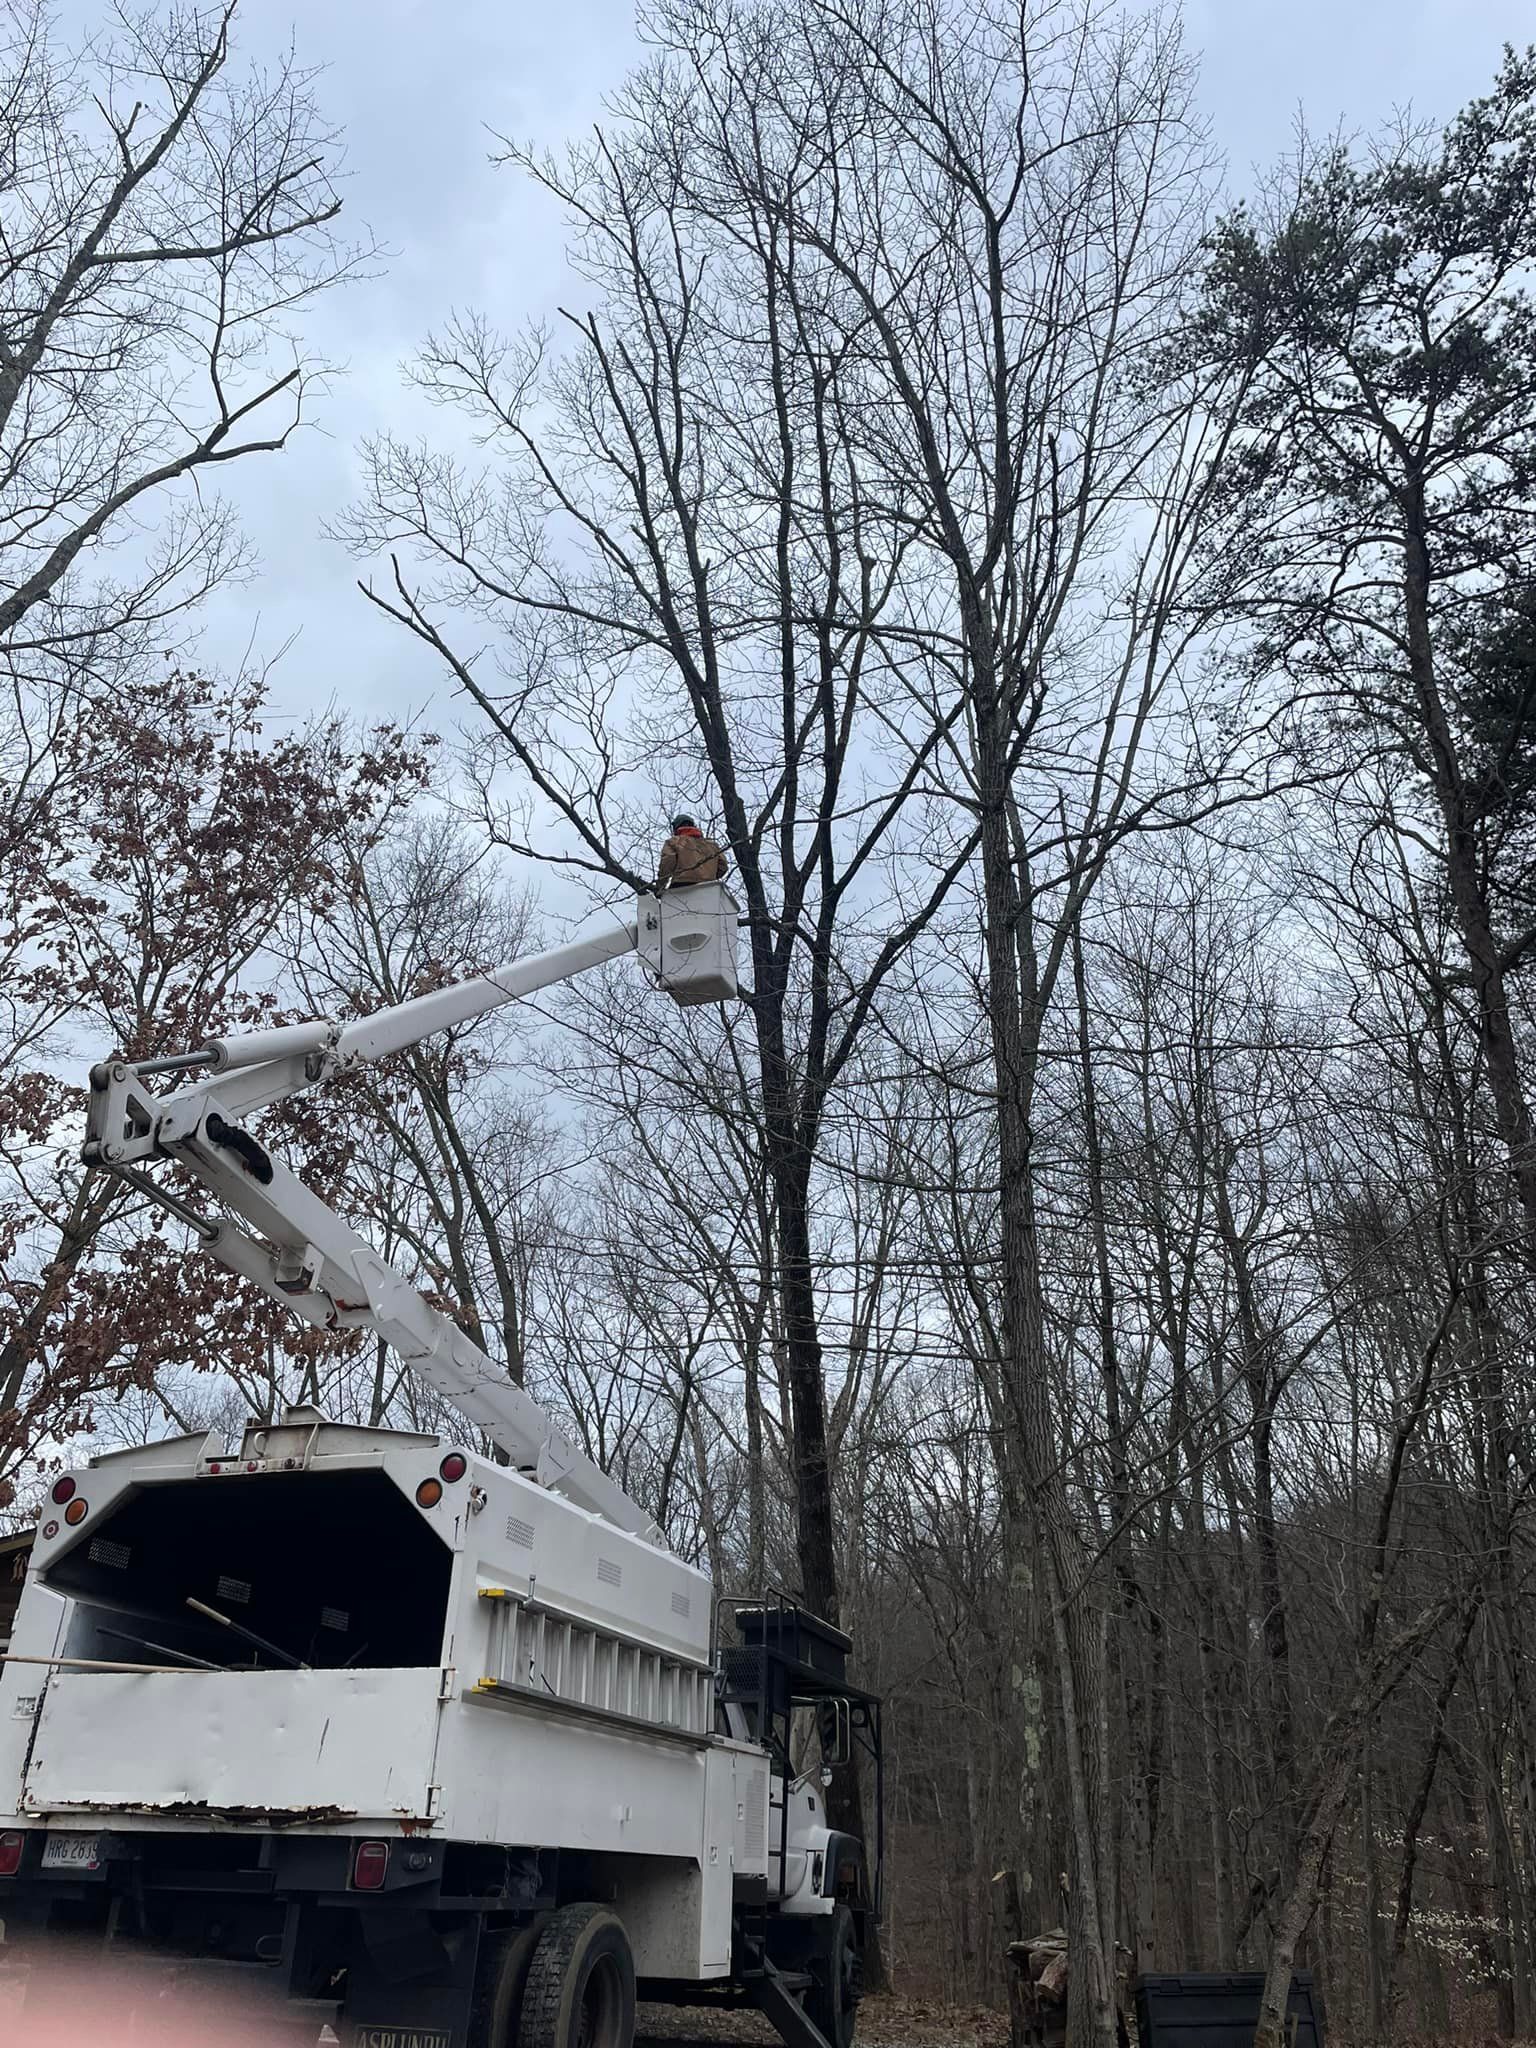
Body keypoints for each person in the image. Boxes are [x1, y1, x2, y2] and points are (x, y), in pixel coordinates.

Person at [657, 813, 728, 889]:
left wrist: (660, 886)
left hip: (682, 885)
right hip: (708, 887)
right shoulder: (712, 845)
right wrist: (710, 877)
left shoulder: (674, 842)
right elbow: (723, 867)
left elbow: (667, 863)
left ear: (676, 827)